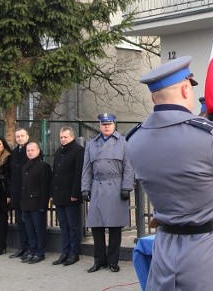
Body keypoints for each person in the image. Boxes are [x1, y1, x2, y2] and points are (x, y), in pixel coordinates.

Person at [127, 56, 213, 291]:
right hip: (212, 255)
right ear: (185, 90)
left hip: (165, 252)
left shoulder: (134, 139)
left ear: (153, 97)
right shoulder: (208, 136)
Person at [81, 113, 134, 273]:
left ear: (114, 125)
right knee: (96, 226)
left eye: (109, 124)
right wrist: (85, 188)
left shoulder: (123, 142)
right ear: (99, 125)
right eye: (103, 124)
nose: (106, 126)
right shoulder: (91, 144)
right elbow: (86, 168)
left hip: (115, 187)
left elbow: (129, 166)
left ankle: (113, 261)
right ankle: (99, 261)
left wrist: (127, 187)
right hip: (97, 185)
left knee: (114, 226)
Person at [51, 126, 84, 266]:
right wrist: (52, 193)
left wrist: (75, 193)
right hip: (59, 194)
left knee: (73, 226)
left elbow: (78, 174)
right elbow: (55, 173)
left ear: (72, 137)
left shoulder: (78, 151)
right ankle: (65, 252)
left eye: (65, 137)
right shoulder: (59, 151)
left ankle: (74, 253)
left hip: (71, 195)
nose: (63, 140)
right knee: (63, 225)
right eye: (61, 137)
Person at [20, 141, 52, 264]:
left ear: (38, 151)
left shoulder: (43, 166)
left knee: (39, 229)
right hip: (26, 203)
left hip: (37, 203)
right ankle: (32, 250)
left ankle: (40, 252)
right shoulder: (26, 166)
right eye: (28, 150)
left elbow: (45, 188)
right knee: (29, 229)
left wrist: (43, 206)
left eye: (32, 150)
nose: (30, 152)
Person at [9, 127, 30, 259]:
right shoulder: (14, 152)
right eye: (17, 136)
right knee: (20, 223)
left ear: (27, 136)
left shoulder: (31, 150)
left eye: (22, 136)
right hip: (17, 193)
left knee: (28, 222)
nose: (20, 138)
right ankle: (22, 247)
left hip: (28, 193)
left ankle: (30, 247)